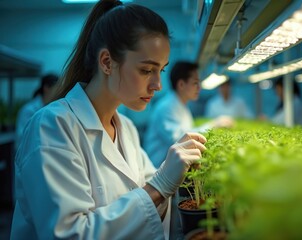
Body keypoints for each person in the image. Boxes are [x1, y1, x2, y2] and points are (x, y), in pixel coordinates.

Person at [11, 2, 207, 240]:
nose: (158, 85)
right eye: (147, 70)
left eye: (161, 71)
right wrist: (160, 186)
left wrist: (175, 178)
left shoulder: (127, 129)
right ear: (106, 62)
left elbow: (150, 212)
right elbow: (69, 234)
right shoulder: (52, 127)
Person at [144, 61, 232, 168]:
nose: (199, 88)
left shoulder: (181, 105)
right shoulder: (167, 107)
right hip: (157, 171)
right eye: (195, 83)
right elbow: (180, 140)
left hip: (171, 168)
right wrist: (214, 124)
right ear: (181, 84)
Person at [15, 73, 58, 149]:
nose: (59, 92)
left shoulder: (52, 108)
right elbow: (23, 137)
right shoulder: (28, 110)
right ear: (46, 88)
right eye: (57, 88)